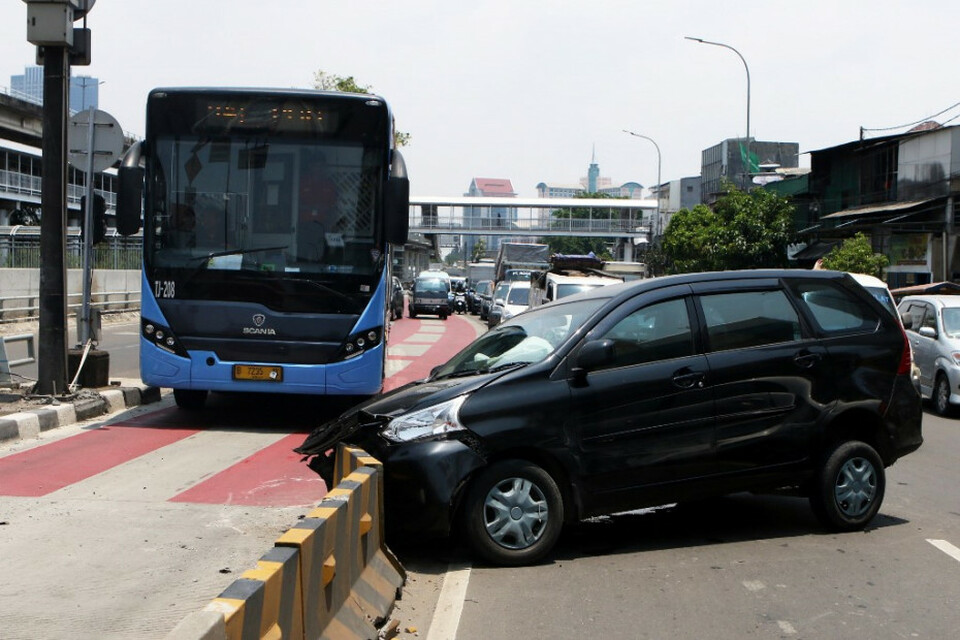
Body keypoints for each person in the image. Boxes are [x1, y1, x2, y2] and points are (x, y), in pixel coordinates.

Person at [297, 152, 338, 262]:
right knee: (302, 254)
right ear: (310, 166)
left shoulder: (329, 185)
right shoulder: (300, 182)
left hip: (321, 226)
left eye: (321, 166)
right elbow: (293, 204)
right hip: (302, 226)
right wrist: (309, 207)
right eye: (316, 165)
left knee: (319, 254)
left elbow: (333, 207)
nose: (318, 168)